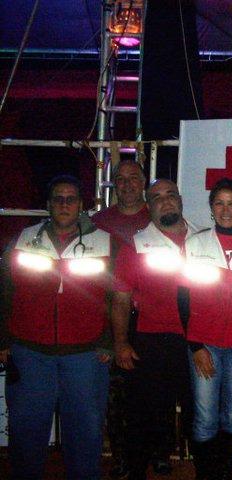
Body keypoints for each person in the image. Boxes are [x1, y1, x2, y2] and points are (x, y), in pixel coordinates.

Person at [0, 175, 112, 480]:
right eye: (58, 199)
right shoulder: (23, 239)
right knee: (26, 431)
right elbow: (4, 290)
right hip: (29, 352)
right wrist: (3, 339)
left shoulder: (103, 241)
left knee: (86, 432)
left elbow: (117, 296)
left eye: (71, 198)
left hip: (86, 355)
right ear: (48, 204)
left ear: (81, 205)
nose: (64, 204)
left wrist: (109, 342)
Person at [178, 178, 232, 480]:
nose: (225, 209)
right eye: (219, 202)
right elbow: (184, 298)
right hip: (205, 346)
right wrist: (195, 346)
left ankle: (223, 474)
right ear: (211, 208)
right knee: (204, 418)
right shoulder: (194, 245)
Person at [111, 178, 199, 480]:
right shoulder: (135, 246)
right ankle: (136, 471)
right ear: (148, 206)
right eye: (157, 197)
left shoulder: (203, 239)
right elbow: (121, 300)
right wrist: (121, 343)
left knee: (196, 417)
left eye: (171, 195)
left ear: (181, 199)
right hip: (152, 341)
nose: (166, 201)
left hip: (196, 342)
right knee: (143, 417)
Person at [91, 159, 154, 478]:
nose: (127, 184)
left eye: (134, 178)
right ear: (113, 183)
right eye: (121, 178)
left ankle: (157, 451)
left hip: (152, 316)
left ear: (144, 181)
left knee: (154, 387)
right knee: (118, 393)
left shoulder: (157, 215)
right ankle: (119, 455)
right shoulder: (97, 222)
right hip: (110, 313)